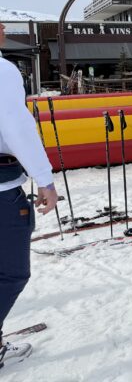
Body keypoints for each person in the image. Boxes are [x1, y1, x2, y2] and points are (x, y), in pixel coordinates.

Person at [0, 22, 58, 370]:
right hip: (3, 191)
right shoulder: (3, 70)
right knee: (12, 273)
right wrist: (45, 180)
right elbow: (15, 126)